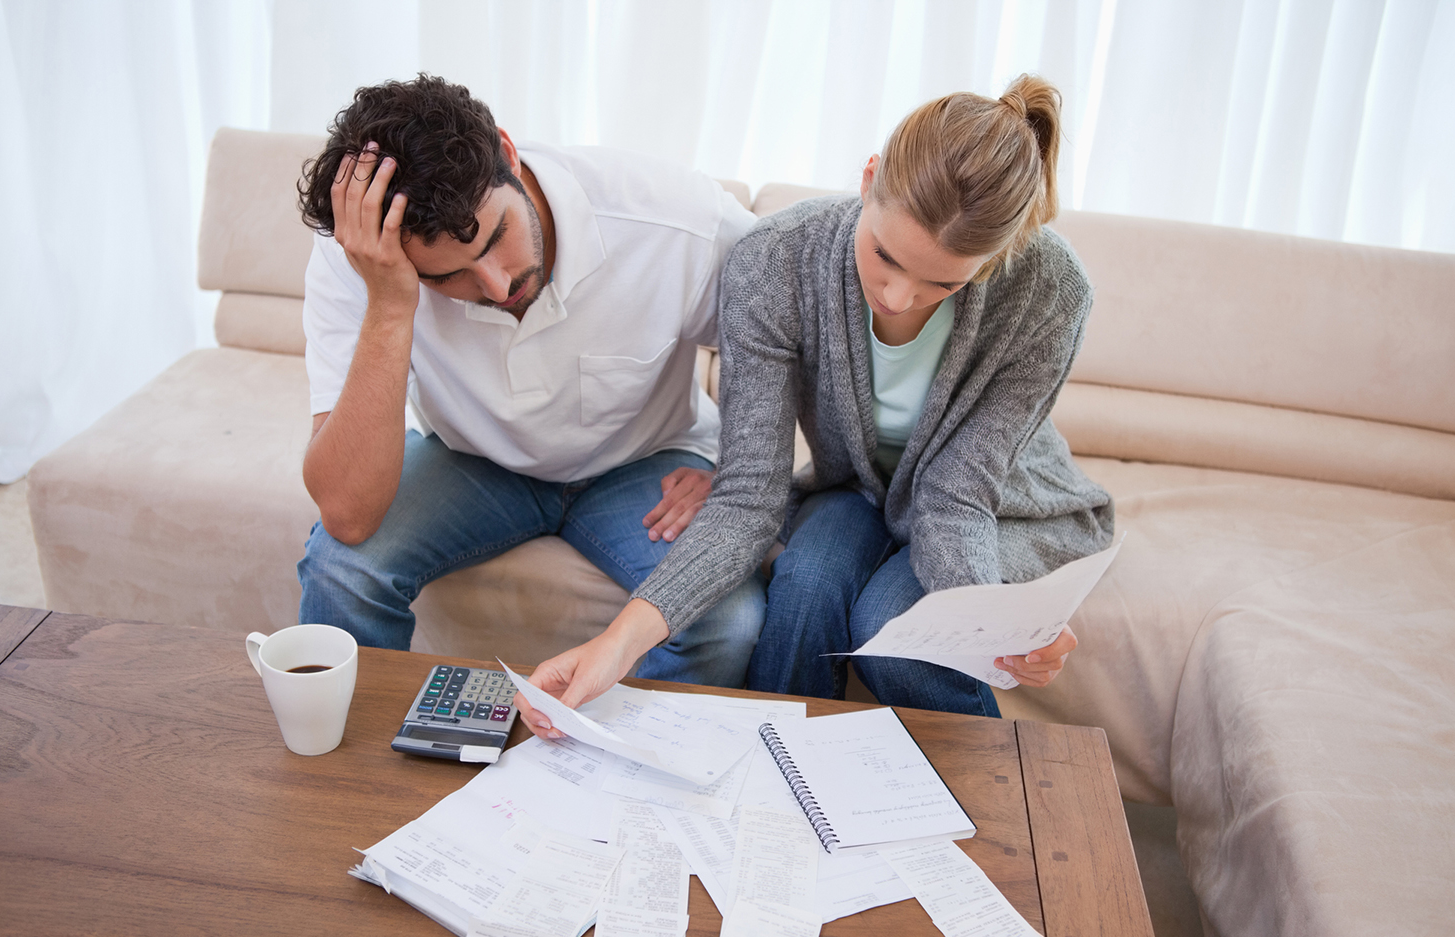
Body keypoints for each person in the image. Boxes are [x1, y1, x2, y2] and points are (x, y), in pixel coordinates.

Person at [518, 76, 1114, 735]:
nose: (897, 294)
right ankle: (777, 789)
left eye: (942, 283)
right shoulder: (773, 261)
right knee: (803, 589)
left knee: (891, 629)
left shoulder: (1051, 287)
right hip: (858, 491)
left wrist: (992, 626)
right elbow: (748, 501)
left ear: (997, 256)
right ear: (868, 178)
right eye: (884, 254)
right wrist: (615, 646)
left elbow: (954, 498)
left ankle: (1006, 809)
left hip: (999, 508)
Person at [294, 74, 764, 685]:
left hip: (644, 462)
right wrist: (390, 303)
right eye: (446, 278)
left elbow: (803, 346)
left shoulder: (679, 221)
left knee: (725, 618)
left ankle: (643, 779)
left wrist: (737, 473)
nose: (496, 286)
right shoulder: (358, 256)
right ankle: (362, 779)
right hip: (474, 463)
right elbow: (348, 515)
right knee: (341, 569)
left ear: (509, 154)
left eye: (495, 237)